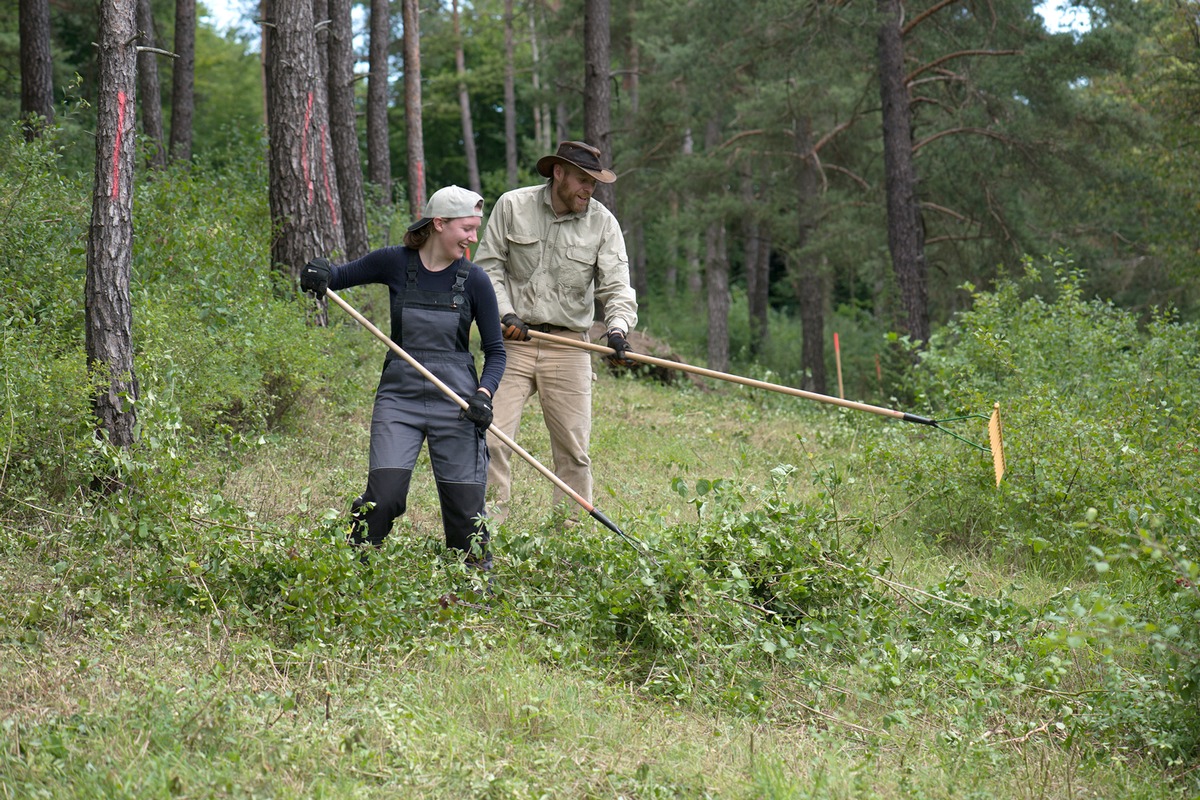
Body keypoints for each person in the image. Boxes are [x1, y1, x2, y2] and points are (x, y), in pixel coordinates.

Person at [299, 185, 505, 566]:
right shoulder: (394, 262)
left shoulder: (475, 280)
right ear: (439, 224)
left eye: (476, 228)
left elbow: (496, 352)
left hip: (458, 404)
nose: (473, 238)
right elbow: (337, 277)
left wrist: (484, 395)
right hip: (400, 400)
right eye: (467, 228)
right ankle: (353, 569)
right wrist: (318, 272)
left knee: (465, 516)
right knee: (385, 497)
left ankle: (475, 590)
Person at [473, 141, 639, 524]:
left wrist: (617, 330)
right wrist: (505, 313)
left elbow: (617, 288)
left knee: (573, 450)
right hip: (512, 342)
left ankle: (570, 537)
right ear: (558, 173)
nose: (588, 189)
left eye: (594, 184)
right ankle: (485, 532)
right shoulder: (513, 206)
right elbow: (487, 270)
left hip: (569, 346)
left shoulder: (603, 222)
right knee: (493, 439)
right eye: (583, 179)